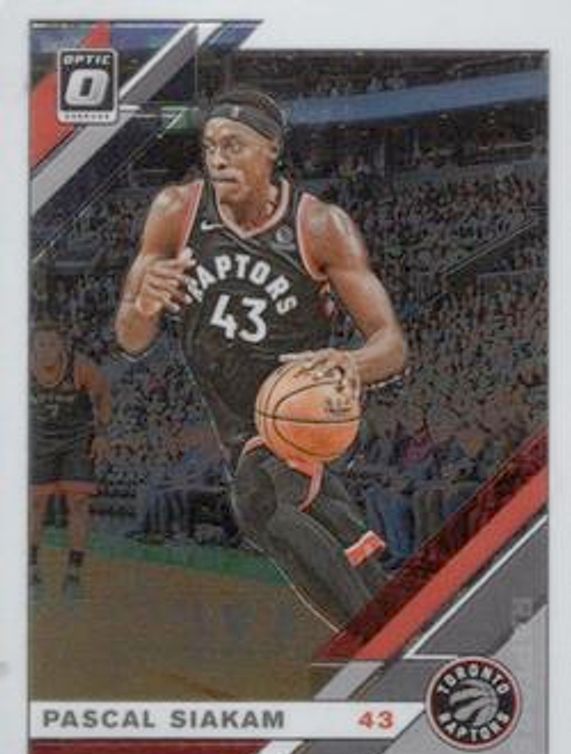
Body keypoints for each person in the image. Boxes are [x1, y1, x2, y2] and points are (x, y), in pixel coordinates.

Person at [115, 87, 407, 630]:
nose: (217, 159)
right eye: (209, 147)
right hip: (240, 423)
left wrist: (352, 363)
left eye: (233, 145)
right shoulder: (176, 211)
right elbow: (131, 340)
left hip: (301, 407)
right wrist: (143, 304)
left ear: (271, 148)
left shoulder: (319, 225)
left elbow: (390, 343)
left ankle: (374, 645)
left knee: (260, 505)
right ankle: (401, 629)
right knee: (321, 525)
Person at [30, 322, 111, 597]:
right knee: (35, 503)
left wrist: (101, 434)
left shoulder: (81, 367)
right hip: (39, 439)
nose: (46, 350)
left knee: (78, 502)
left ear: (62, 346)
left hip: (76, 440)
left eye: (52, 344)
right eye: (40, 344)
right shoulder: (20, 366)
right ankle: (31, 568)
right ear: (33, 347)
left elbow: (102, 396)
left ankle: (74, 573)